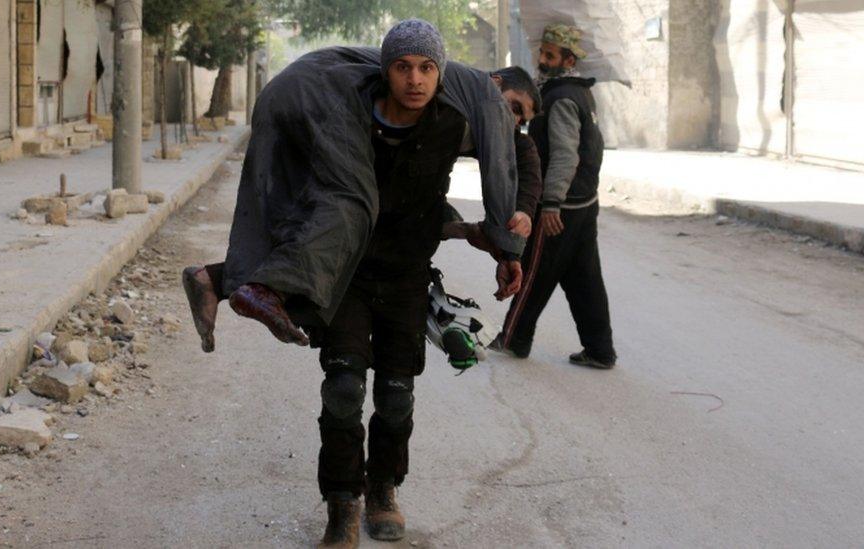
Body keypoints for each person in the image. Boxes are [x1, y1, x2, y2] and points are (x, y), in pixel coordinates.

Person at [185, 20, 530, 548]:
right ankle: (341, 508)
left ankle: (384, 490)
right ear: (384, 70)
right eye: (402, 67)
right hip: (348, 279)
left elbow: (515, 158)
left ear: (441, 74)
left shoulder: (449, 125)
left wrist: (502, 234)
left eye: (426, 68)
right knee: (343, 392)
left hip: (408, 280)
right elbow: (317, 196)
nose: (414, 79)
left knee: (396, 398)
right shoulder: (346, 117)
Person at [184, 65, 544, 354]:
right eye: (513, 107)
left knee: (301, 214)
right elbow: (493, 174)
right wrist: (504, 244)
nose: (511, 120)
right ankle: (266, 289)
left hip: (287, 94)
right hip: (315, 101)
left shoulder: (449, 108)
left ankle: (214, 280)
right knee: (350, 205)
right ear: (494, 83)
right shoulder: (450, 95)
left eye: (521, 118)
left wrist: (521, 213)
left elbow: (520, 156)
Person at [491, 24, 618, 369]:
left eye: (550, 55)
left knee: (533, 270)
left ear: (568, 59)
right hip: (583, 203)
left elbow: (565, 155)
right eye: (542, 52)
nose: (542, 60)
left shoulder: (561, 97)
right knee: (584, 278)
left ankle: (513, 340)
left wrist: (551, 202)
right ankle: (600, 350)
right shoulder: (580, 92)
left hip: (561, 206)